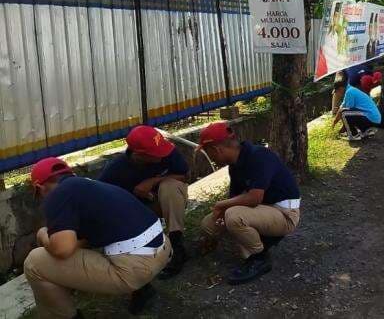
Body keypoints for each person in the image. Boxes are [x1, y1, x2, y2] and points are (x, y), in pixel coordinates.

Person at [24, 158, 172, 318]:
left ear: (39, 187)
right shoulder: (90, 185)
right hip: (163, 249)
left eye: (38, 195)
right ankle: (143, 290)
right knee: (100, 240)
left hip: (136, 267)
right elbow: (88, 238)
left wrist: (43, 234)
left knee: (35, 263)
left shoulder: (57, 194)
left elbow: (63, 250)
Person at [196, 122, 301, 285]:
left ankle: (259, 258)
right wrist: (219, 218)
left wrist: (221, 205)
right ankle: (254, 238)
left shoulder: (259, 156)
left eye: (208, 153)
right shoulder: (234, 165)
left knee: (233, 215)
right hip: (262, 210)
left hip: (284, 214)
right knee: (208, 225)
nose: (211, 157)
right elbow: (236, 197)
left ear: (217, 149)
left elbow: (254, 198)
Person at [98, 125, 189, 279]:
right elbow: (102, 199)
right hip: (136, 213)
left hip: (165, 203)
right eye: (156, 153)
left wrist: (153, 181)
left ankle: (177, 244)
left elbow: (184, 176)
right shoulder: (115, 169)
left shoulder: (169, 152)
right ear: (139, 154)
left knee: (171, 187)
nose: (163, 154)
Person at [333, 73, 382, 140]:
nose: (338, 94)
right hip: (375, 121)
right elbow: (342, 107)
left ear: (341, 88)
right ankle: (366, 131)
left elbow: (345, 113)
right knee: (344, 111)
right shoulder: (350, 90)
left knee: (344, 112)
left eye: (337, 91)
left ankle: (353, 135)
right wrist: (335, 122)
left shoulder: (350, 92)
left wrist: (340, 131)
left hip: (371, 120)